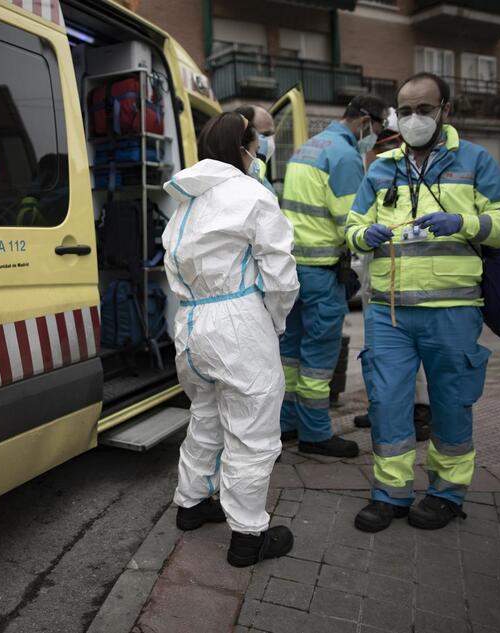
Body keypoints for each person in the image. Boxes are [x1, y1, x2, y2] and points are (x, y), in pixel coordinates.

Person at [346, 73, 500, 532]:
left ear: (445, 111)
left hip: (453, 310)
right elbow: (351, 227)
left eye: (424, 109)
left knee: (450, 404)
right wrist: (364, 235)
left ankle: (446, 494)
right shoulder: (381, 166)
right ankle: (390, 494)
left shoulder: (476, 161)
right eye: (405, 111)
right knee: (386, 403)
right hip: (390, 312)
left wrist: (464, 222)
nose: (414, 119)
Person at [163, 112, 299, 567]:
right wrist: (274, 322)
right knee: (250, 431)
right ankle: (248, 537)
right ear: (245, 147)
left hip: (192, 325)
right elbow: (280, 274)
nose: (261, 149)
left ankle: (192, 504)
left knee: (205, 417)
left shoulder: (185, 203)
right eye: (257, 141)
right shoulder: (252, 194)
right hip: (239, 322)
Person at [278, 94, 387, 457]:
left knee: (290, 352)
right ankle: (315, 433)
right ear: (366, 122)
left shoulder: (305, 149)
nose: (373, 139)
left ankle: (286, 425)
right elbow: (351, 223)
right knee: (318, 356)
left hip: (292, 269)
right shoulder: (344, 157)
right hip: (323, 270)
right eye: (377, 130)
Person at [353, 124, 432, 442]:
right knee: (378, 354)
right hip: (378, 281)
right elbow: (356, 222)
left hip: (409, 282)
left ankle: (421, 412)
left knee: (412, 357)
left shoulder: (420, 180)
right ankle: (382, 409)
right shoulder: (375, 177)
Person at [234, 104, 277, 194]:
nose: (270, 140)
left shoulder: (261, 178)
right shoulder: (236, 180)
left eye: (272, 134)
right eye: (265, 135)